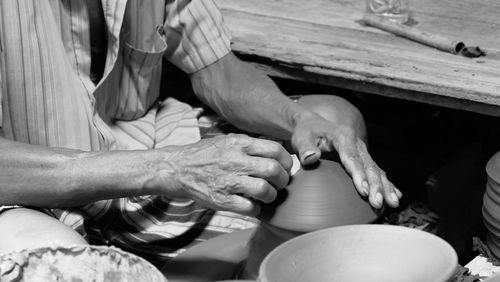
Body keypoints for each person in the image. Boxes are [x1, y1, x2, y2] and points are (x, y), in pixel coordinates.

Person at [0, 0, 401, 265]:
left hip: (148, 144)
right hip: (32, 188)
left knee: (334, 116)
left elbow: (218, 72)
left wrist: (297, 120)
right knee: (57, 263)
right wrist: (171, 169)